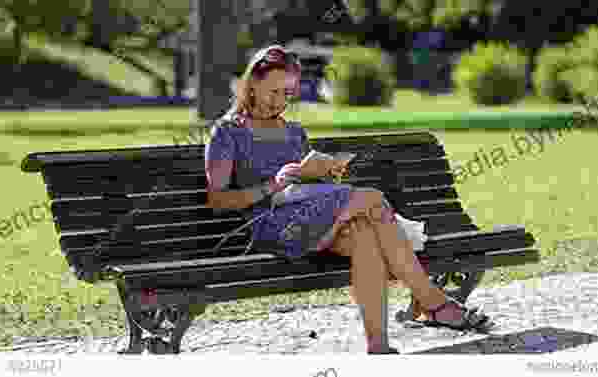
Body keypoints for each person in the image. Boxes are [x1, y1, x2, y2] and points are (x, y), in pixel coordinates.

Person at [204, 45, 490, 355]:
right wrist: (271, 186)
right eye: (273, 91)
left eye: (288, 94)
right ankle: (435, 303)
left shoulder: (293, 132)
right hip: (272, 226)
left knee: (365, 235)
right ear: (253, 83)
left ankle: (378, 346)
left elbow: (305, 182)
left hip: (311, 214)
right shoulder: (228, 132)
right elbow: (218, 200)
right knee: (373, 200)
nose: (280, 101)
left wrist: (326, 175)